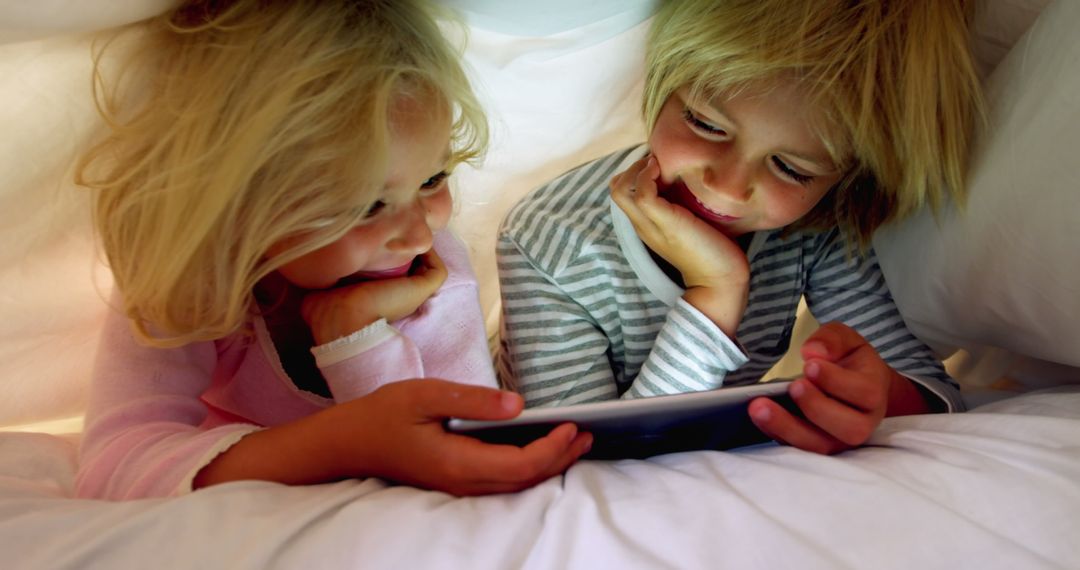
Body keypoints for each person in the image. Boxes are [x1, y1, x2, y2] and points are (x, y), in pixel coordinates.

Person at [73, 0, 591, 500]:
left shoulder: (431, 273)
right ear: (239, 205)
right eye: (367, 206)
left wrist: (355, 335)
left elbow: (455, 447)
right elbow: (116, 462)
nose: (418, 236)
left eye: (433, 179)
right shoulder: (187, 273)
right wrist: (344, 444)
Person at [496, 0, 984, 454]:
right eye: (705, 124)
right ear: (663, 81)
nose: (727, 188)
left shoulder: (813, 226)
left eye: (791, 169)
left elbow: (936, 393)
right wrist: (716, 292)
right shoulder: (549, 241)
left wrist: (882, 395)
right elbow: (588, 455)